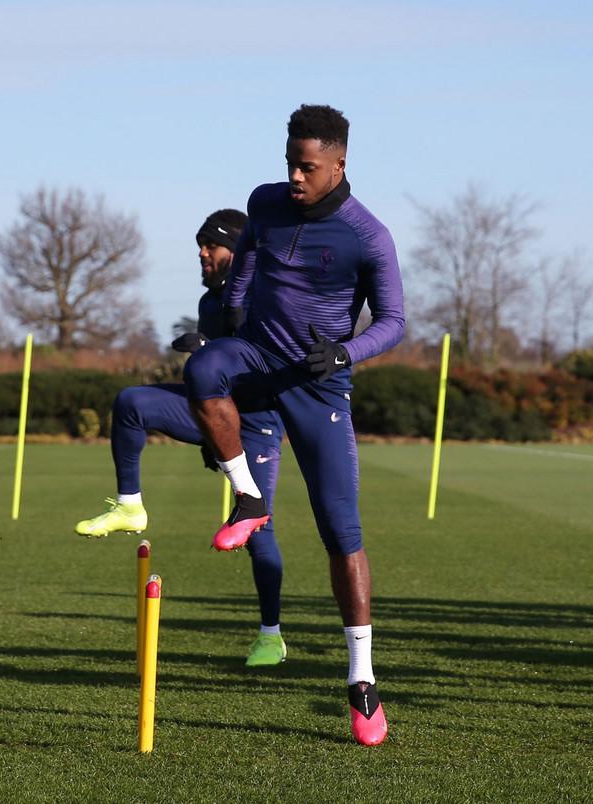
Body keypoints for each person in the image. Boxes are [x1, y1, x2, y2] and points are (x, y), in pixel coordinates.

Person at [183, 104, 404, 746]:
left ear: (339, 164)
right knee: (202, 375)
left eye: (307, 168)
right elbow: (248, 254)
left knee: (342, 532)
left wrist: (346, 351)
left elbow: (394, 321)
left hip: (319, 383)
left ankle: (361, 679)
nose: (295, 178)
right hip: (256, 358)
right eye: (289, 164)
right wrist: (231, 310)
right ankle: (246, 495)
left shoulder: (369, 235)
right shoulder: (265, 201)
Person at [75, 209, 290, 667]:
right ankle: (130, 505)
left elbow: (261, 358)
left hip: (257, 422)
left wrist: (211, 350)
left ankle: (270, 637)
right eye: (201, 244)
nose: (202, 252)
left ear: (237, 249)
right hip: (216, 415)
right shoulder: (210, 302)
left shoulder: (262, 292)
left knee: (257, 529)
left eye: (211, 245)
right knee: (131, 402)